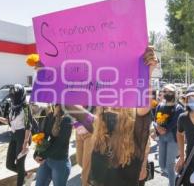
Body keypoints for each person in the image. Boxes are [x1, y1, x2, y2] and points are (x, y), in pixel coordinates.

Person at [68, 46, 158, 186]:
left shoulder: (135, 123)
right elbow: (71, 106)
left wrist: (147, 72)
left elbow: (143, 106)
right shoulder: (99, 124)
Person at [0, 84, 34, 186]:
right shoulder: (13, 106)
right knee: (9, 165)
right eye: (12, 95)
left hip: (23, 136)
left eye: (15, 95)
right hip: (14, 135)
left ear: (21, 95)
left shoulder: (26, 107)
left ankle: (21, 181)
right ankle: (27, 175)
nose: (13, 97)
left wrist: (25, 143)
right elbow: (10, 122)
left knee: (20, 164)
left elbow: (28, 125)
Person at [153, 84, 184, 186]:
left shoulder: (179, 108)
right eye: (165, 91)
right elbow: (155, 120)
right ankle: (176, 177)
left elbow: (174, 123)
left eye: (169, 91)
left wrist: (163, 129)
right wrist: (157, 129)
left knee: (170, 165)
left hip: (173, 139)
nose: (167, 93)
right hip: (161, 138)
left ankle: (173, 183)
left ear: (175, 93)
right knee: (162, 166)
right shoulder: (159, 106)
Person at [34, 104, 73, 186]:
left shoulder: (67, 119)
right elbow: (42, 136)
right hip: (47, 161)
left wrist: (43, 155)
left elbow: (59, 144)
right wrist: (37, 153)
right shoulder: (50, 116)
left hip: (60, 163)